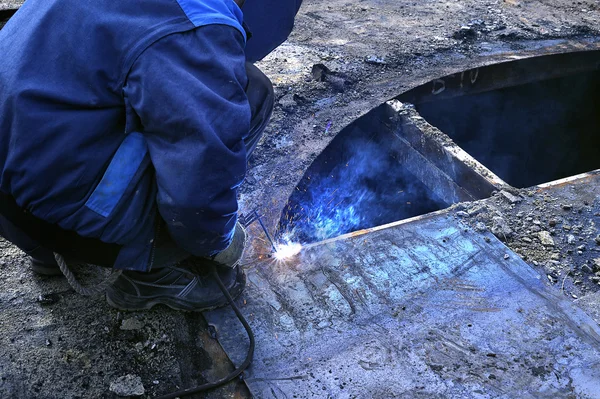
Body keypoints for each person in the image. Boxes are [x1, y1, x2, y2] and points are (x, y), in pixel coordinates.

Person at [0, 0, 302, 311]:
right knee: (252, 91)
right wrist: (219, 240)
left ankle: (49, 251)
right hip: (54, 211)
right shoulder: (196, 25)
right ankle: (155, 272)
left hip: (11, 204)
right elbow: (199, 182)